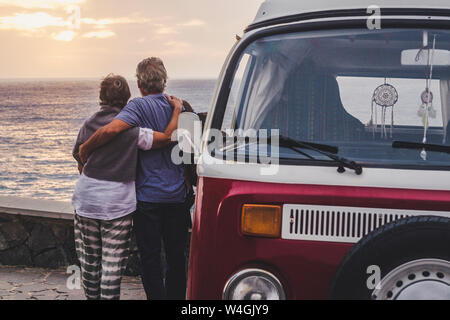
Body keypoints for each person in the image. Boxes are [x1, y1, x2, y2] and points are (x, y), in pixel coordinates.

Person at [78, 57, 189, 300]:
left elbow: (111, 130)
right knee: (177, 256)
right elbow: (192, 154)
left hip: (147, 197)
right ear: (164, 80)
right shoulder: (183, 107)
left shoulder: (136, 107)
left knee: (149, 258)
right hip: (178, 196)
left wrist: (84, 150)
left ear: (139, 84)